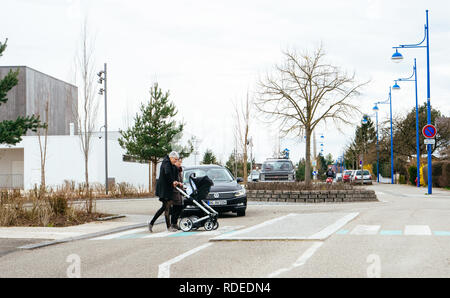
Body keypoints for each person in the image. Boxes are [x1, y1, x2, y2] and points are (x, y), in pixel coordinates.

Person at [148, 151, 182, 232]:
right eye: (175, 159)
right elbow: (167, 173)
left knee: (164, 207)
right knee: (167, 208)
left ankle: (151, 223)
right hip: (164, 190)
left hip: (167, 189)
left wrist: (177, 182)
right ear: (171, 157)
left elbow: (174, 174)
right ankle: (168, 227)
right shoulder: (166, 163)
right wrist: (173, 181)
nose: (176, 161)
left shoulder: (171, 164)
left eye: (177, 159)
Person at [170, 158, 184, 230]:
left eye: (181, 162)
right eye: (179, 162)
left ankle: (174, 223)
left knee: (179, 207)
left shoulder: (179, 170)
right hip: (175, 192)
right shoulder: (173, 169)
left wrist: (182, 186)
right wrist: (179, 183)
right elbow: (174, 180)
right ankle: (173, 223)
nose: (180, 163)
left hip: (179, 191)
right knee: (176, 208)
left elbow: (180, 180)